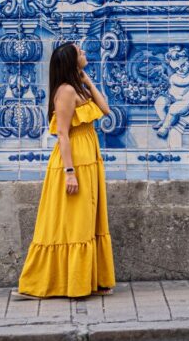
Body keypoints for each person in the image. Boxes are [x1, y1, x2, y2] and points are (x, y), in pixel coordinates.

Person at [16, 42, 115, 299]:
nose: (85, 53)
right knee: (73, 223)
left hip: (88, 157)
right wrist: (70, 172)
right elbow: (62, 134)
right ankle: (60, 283)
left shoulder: (78, 88)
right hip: (74, 162)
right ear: (71, 61)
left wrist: (89, 81)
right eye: (80, 52)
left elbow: (105, 109)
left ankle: (90, 280)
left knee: (87, 221)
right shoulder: (66, 92)